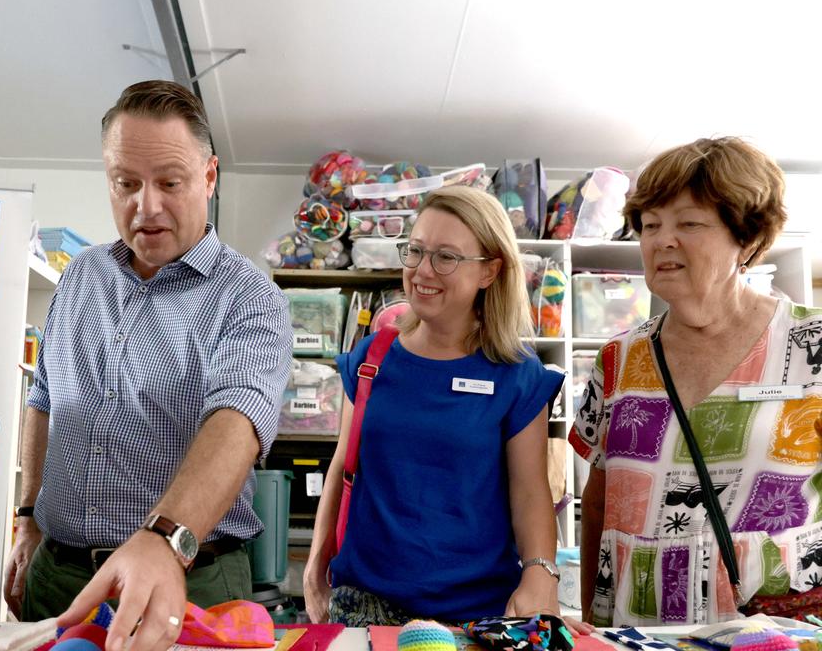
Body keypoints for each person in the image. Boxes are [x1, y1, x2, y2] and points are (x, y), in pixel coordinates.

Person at [2, 80, 292, 651]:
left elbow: (238, 422)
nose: (146, 205)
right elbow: (43, 400)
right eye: (126, 183)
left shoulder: (249, 296)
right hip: (58, 577)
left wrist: (164, 539)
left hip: (188, 579)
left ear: (209, 177)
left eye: (169, 182)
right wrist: (29, 517)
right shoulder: (81, 278)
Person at [574, 137, 821, 626]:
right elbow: (598, 500)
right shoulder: (617, 360)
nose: (663, 240)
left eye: (688, 223)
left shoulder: (811, 343)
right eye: (650, 225)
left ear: (746, 239)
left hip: (772, 630)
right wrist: (589, 617)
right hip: (637, 628)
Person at [303, 186, 571, 626]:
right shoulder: (373, 358)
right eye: (416, 251)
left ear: (489, 271)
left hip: (476, 610)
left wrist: (541, 575)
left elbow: (530, 492)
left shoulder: (515, 374)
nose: (423, 270)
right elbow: (342, 466)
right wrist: (317, 562)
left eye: (446, 257)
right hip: (364, 602)